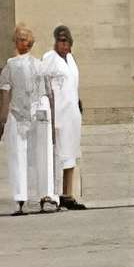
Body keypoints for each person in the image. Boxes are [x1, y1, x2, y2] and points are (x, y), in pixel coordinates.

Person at [0, 22, 54, 213]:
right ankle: (41, 195)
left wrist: (2, 120)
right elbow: (49, 94)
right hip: (33, 113)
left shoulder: (12, 65)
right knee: (39, 154)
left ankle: (24, 198)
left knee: (21, 156)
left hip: (24, 114)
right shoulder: (39, 66)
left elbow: (6, 95)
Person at [44, 25, 86, 208]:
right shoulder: (49, 59)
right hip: (57, 115)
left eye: (66, 41)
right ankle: (52, 194)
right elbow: (43, 85)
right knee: (56, 155)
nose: (64, 45)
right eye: (60, 41)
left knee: (71, 154)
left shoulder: (71, 59)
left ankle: (68, 194)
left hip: (72, 115)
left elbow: (72, 85)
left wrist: (78, 102)